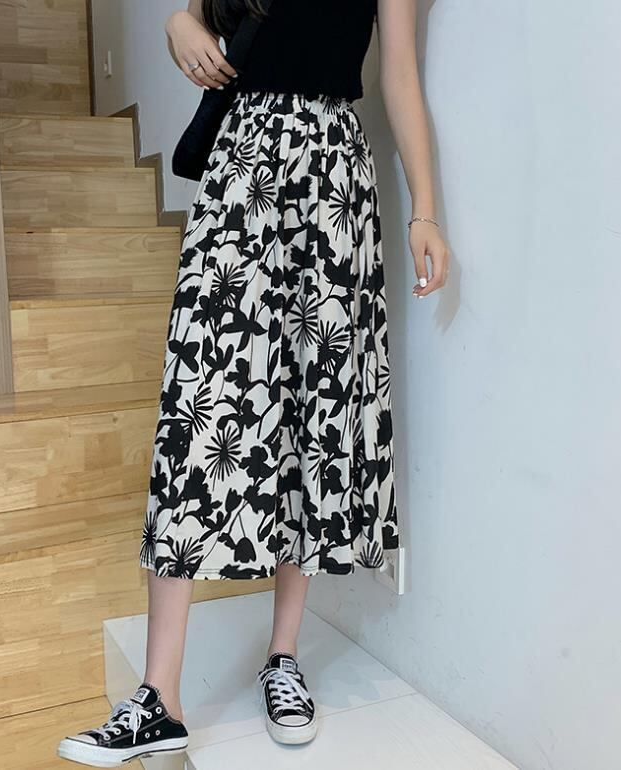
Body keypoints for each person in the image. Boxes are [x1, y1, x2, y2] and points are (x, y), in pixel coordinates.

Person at [58, 0, 450, 765]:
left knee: (311, 404)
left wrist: (425, 213)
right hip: (240, 164)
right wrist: (176, 22)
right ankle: (159, 697)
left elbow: (400, 73)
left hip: (332, 173)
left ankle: (283, 656)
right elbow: (201, 21)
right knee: (198, 403)